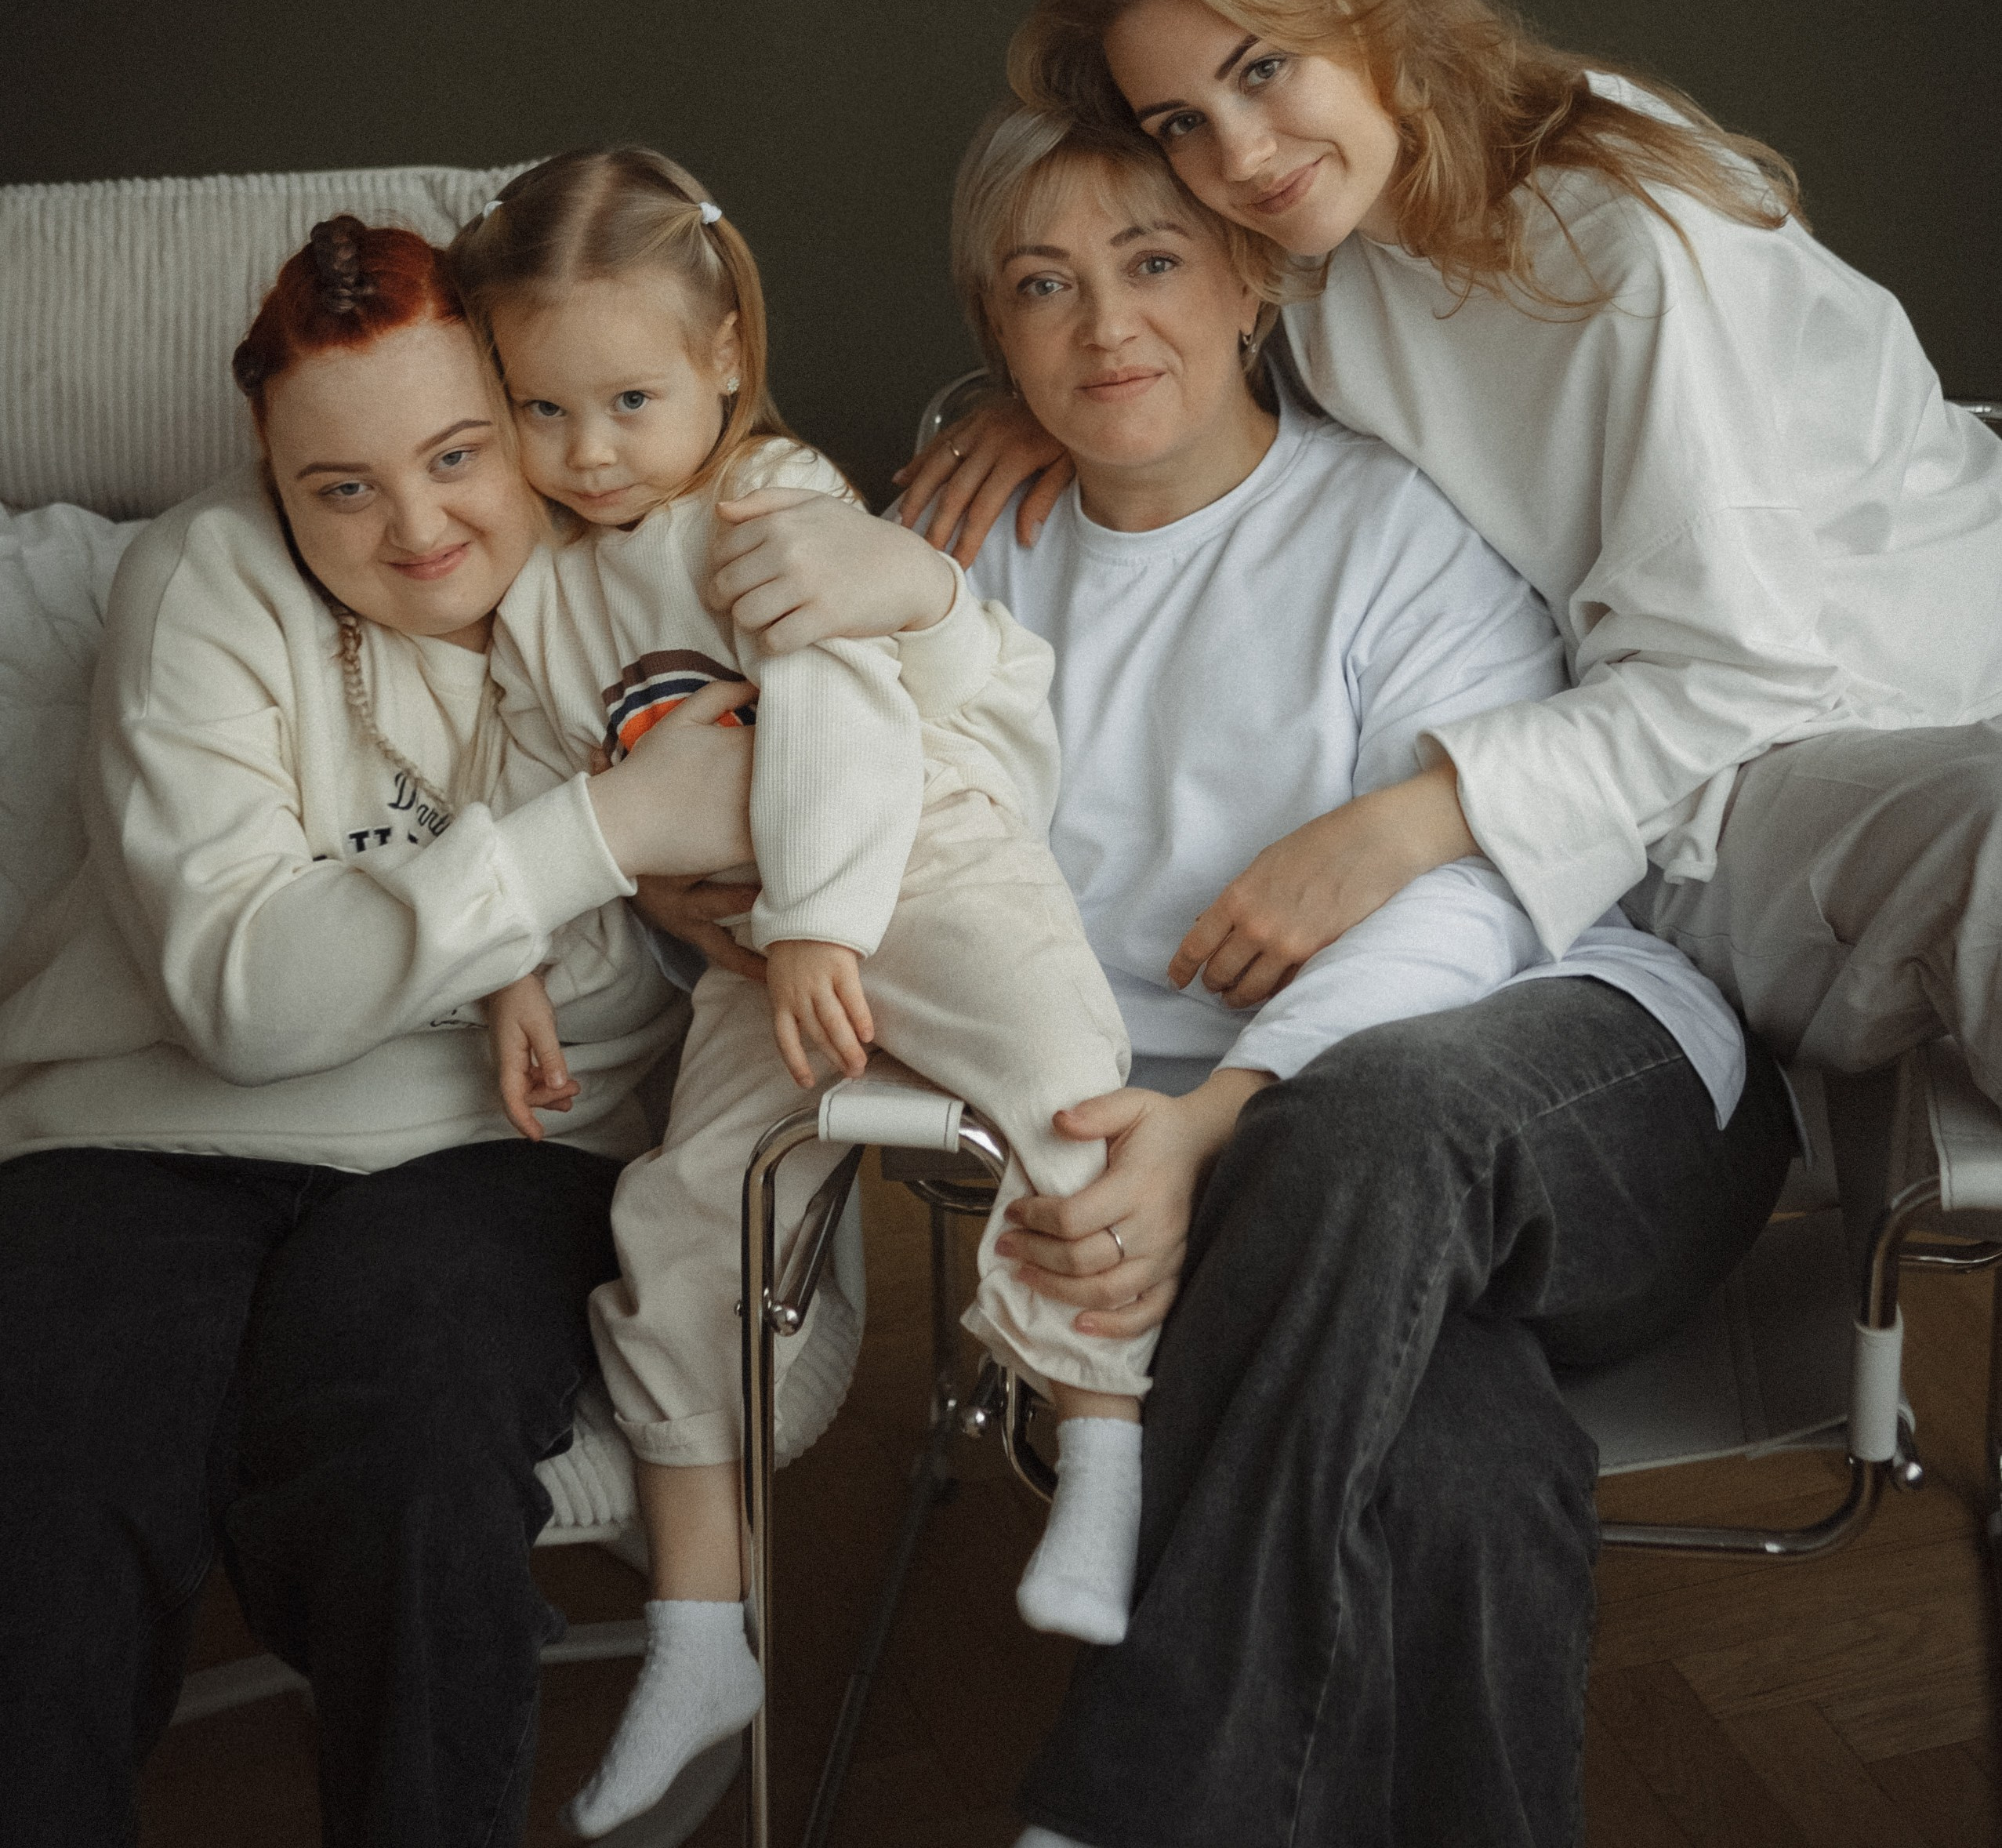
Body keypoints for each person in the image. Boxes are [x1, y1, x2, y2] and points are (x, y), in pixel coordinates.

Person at [720, 102, 1792, 1848]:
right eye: (1042, 287)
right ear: (993, 334)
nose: (1103, 326)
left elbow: (1475, 897)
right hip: (1226, 1193)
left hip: (1565, 1092)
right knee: (1452, 1465)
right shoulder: (950, 565)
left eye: (1151, 262)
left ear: (1246, 283)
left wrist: (1212, 1116)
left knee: (1365, 1115)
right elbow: (862, 847)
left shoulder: (1397, 528)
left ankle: (1139, 1793)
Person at [0, 215, 1002, 1848]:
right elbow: (240, 995)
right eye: (340, 487)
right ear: (270, 470)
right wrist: (611, 831)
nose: (417, 528)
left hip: (504, 1141)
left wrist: (925, 607)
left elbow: (926, 762)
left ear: (528, 406)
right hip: (135, 1129)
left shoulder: (657, 561)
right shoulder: (202, 576)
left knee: (405, 1438)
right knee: (47, 1482)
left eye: (461, 453)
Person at [898, 0, 2002, 1108]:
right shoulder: (1325, 249)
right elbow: (1166, 318)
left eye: (1263, 68)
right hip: (1636, 777)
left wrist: (1410, 823)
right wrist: (1060, 399)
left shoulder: (1628, 241)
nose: (1241, 155)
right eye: (1180, 123)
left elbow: (1745, 672)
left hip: (1854, 719)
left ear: (1370, 13)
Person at [449, 147, 1162, 1840]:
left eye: (628, 400)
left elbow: (838, 707)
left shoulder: (767, 497)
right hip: (762, 950)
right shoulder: (540, 585)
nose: (589, 451)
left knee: (1065, 1080)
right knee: (683, 1218)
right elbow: (524, 781)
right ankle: (703, 1631)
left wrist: (827, 924)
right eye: (542, 411)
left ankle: (1104, 1448)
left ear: (721, 357)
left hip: (915, 863)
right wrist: (507, 964)